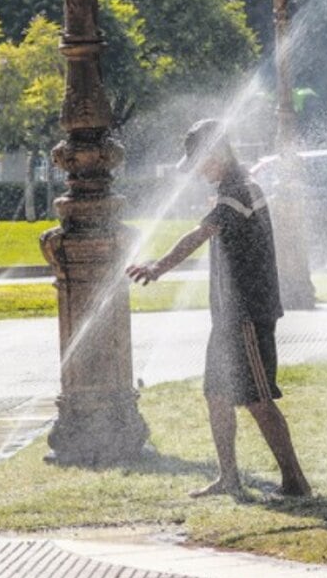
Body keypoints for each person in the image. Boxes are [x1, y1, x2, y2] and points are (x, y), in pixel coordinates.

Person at [126, 118, 311, 499]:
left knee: (258, 399)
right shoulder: (234, 189)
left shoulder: (239, 193)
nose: (196, 169)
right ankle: (228, 478)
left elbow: (198, 234)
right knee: (217, 394)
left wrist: (158, 266)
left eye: (199, 160)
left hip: (247, 315)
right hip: (229, 317)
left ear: (217, 154)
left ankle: (295, 481)